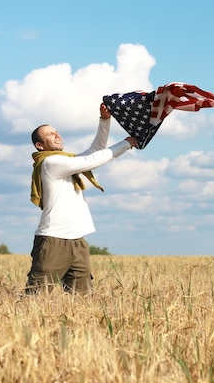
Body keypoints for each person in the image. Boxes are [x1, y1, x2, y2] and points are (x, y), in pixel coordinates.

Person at [25, 103, 138, 295]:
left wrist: (104, 120)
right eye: (50, 134)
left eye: (57, 131)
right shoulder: (50, 163)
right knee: (35, 299)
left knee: (83, 301)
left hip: (77, 240)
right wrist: (127, 143)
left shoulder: (66, 161)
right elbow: (91, 160)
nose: (57, 135)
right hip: (54, 240)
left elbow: (95, 150)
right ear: (39, 145)